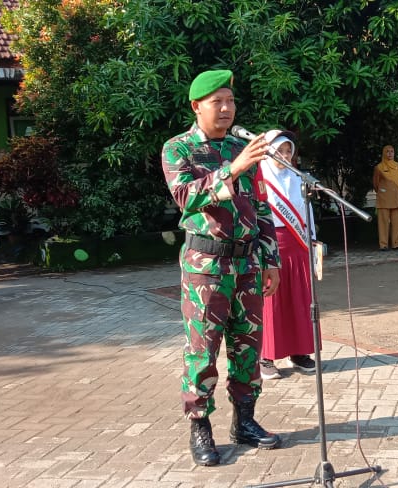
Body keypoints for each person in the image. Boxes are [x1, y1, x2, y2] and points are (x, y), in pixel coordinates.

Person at [161, 69, 283, 467]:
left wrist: (271, 260)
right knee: (204, 352)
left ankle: (245, 421)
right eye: (218, 102)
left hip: (248, 263)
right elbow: (185, 197)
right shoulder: (178, 149)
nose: (227, 108)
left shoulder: (241, 147)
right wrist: (232, 169)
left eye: (231, 101)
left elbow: (262, 207)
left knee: (248, 347)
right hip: (206, 269)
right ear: (197, 107)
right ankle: (200, 428)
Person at [256, 131, 318, 380]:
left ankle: (300, 352)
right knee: (271, 300)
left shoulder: (297, 177)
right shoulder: (258, 177)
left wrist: (312, 239)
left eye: (288, 151)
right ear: (268, 150)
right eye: (279, 150)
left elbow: (307, 211)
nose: (284, 155)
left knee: (300, 298)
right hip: (270, 245)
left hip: (297, 245)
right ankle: (265, 356)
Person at [372, 145, 398, 251]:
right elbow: (376, 183)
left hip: (395, 197)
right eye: (387, 151)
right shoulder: (379, 167)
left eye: (392, 151)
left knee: (396, 222)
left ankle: (396, 244)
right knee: (383, 222)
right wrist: (383, 191)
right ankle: (383, 245)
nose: (390, 154)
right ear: (384, 153)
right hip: (384, 198)